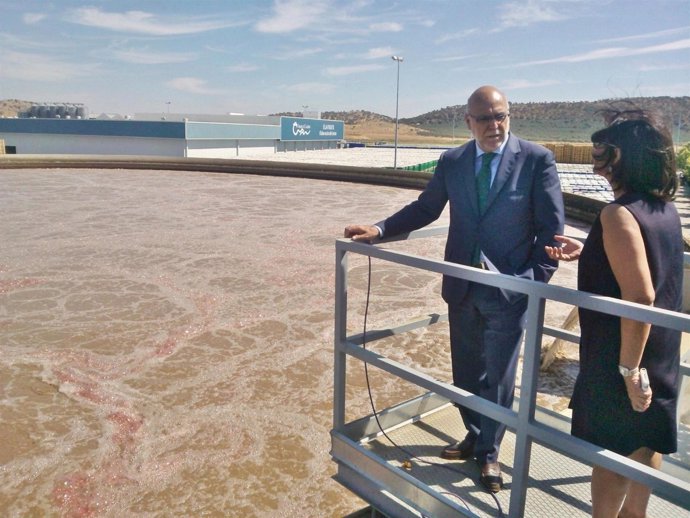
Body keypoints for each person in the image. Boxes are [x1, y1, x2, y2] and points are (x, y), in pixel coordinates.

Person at [345, 85, 564, 493]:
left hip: (509, 289)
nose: (494, 125)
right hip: (462, 285)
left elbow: (552, 230)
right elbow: (427, 208)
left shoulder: (536, 160)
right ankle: (474, 432)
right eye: (485, 118)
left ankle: (490, 452)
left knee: (499, 374)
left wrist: (532, 281)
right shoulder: (454, 161)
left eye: (501, 116)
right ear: (469, 121)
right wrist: (378, 230)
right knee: (465, 370)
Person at [545, 107, 682, 518]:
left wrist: (627, 371)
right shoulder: (663, 209)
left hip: (623, 354)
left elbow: (639, 296)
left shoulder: (617, 213)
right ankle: (634, 515)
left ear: (620, 156)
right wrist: (589, 252)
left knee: (610, 453)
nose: (596, 156)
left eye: (602, 147)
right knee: (646, 440)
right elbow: (649, 268)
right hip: (658, 350)